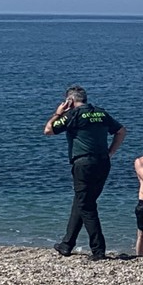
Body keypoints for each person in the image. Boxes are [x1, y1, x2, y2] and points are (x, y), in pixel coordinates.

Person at [45, 85, 127, 261]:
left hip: (84, 164)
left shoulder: (72, 115)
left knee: (86, 205)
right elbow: (121, 131)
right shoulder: (101, 113)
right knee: (82, 202)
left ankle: (98, 250)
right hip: (103, 163)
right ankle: (67, 244)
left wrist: (58, 113)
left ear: (70, 101)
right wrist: (111, 152)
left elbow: (49, 130)